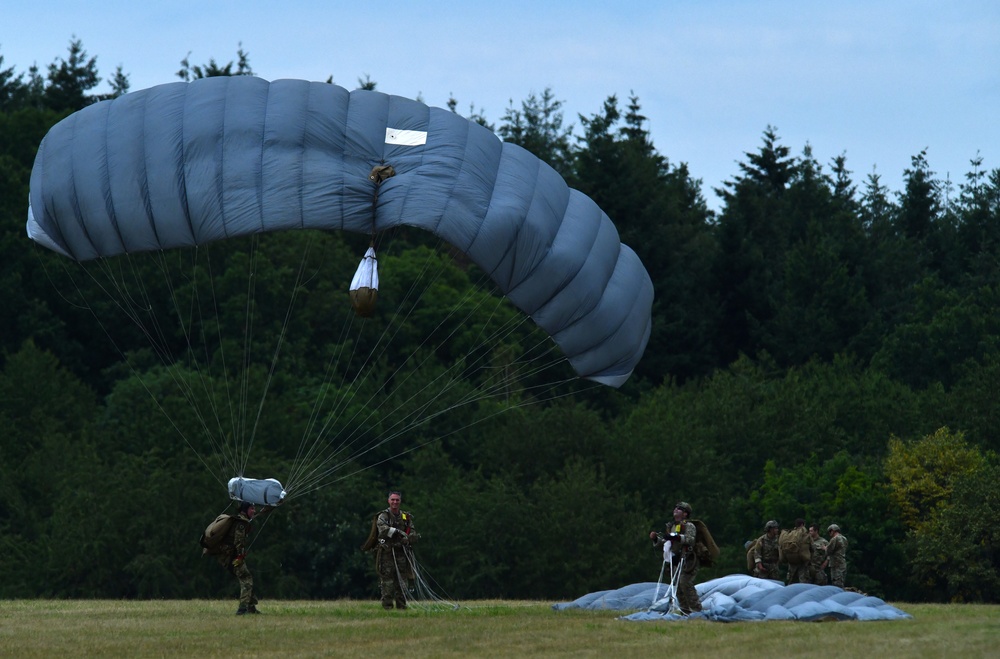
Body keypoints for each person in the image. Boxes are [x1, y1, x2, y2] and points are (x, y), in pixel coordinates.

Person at [215, 501, 276, 615]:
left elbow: (260, 513)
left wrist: (272, 506)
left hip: (228, 557)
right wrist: (240, 556)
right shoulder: (241, 523)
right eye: (251, 509)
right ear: (245, 510)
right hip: (233, 557)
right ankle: (242, 609)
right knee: (246, 580)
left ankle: (251, 608)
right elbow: (239, 541)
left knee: (247, 579)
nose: (253, 511)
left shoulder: (242, 520)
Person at [649, 501, 702, 614]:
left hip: (688, 560)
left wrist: (677, 537)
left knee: (685, 583)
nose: (675, 510)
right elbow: (666, 543)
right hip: (676, 561)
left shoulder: (689, 526)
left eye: (679, 509)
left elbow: (690, 539)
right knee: (677, 587)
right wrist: (655, 539)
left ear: (685, 514)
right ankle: (685, 611)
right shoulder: (672, 527)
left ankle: (697, 611)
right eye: (675, 508)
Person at [373, 491, 419, 610]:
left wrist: (408, 538)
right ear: (388, 501)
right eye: (392, 500)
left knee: (402, 583)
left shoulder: (405, 517)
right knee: (387, 583)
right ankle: (388, 608)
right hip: (387, 554)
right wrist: (397, 532)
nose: (395, 502)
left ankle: (401, 608)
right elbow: (382, 529)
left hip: (402, 554)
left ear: (400, 501)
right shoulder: (383, 516)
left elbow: (413, 532)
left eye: (397, 500)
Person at [784, 518, 812, 585]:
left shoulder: (790, 534)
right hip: (802, 564)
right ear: (802, 525)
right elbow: (812, 548)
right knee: (803, 585)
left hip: (791, 564)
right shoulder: (805, 535)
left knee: (791, 584)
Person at [823, 523, 848, 587]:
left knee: (836, 583)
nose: (829, 533)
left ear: (833, 530)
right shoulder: (844, 538)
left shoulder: (834, 539)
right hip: (842, 563)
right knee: (842, 582)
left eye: (830, 531)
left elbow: (829, 551)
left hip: (836, 564)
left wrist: (825, 548)